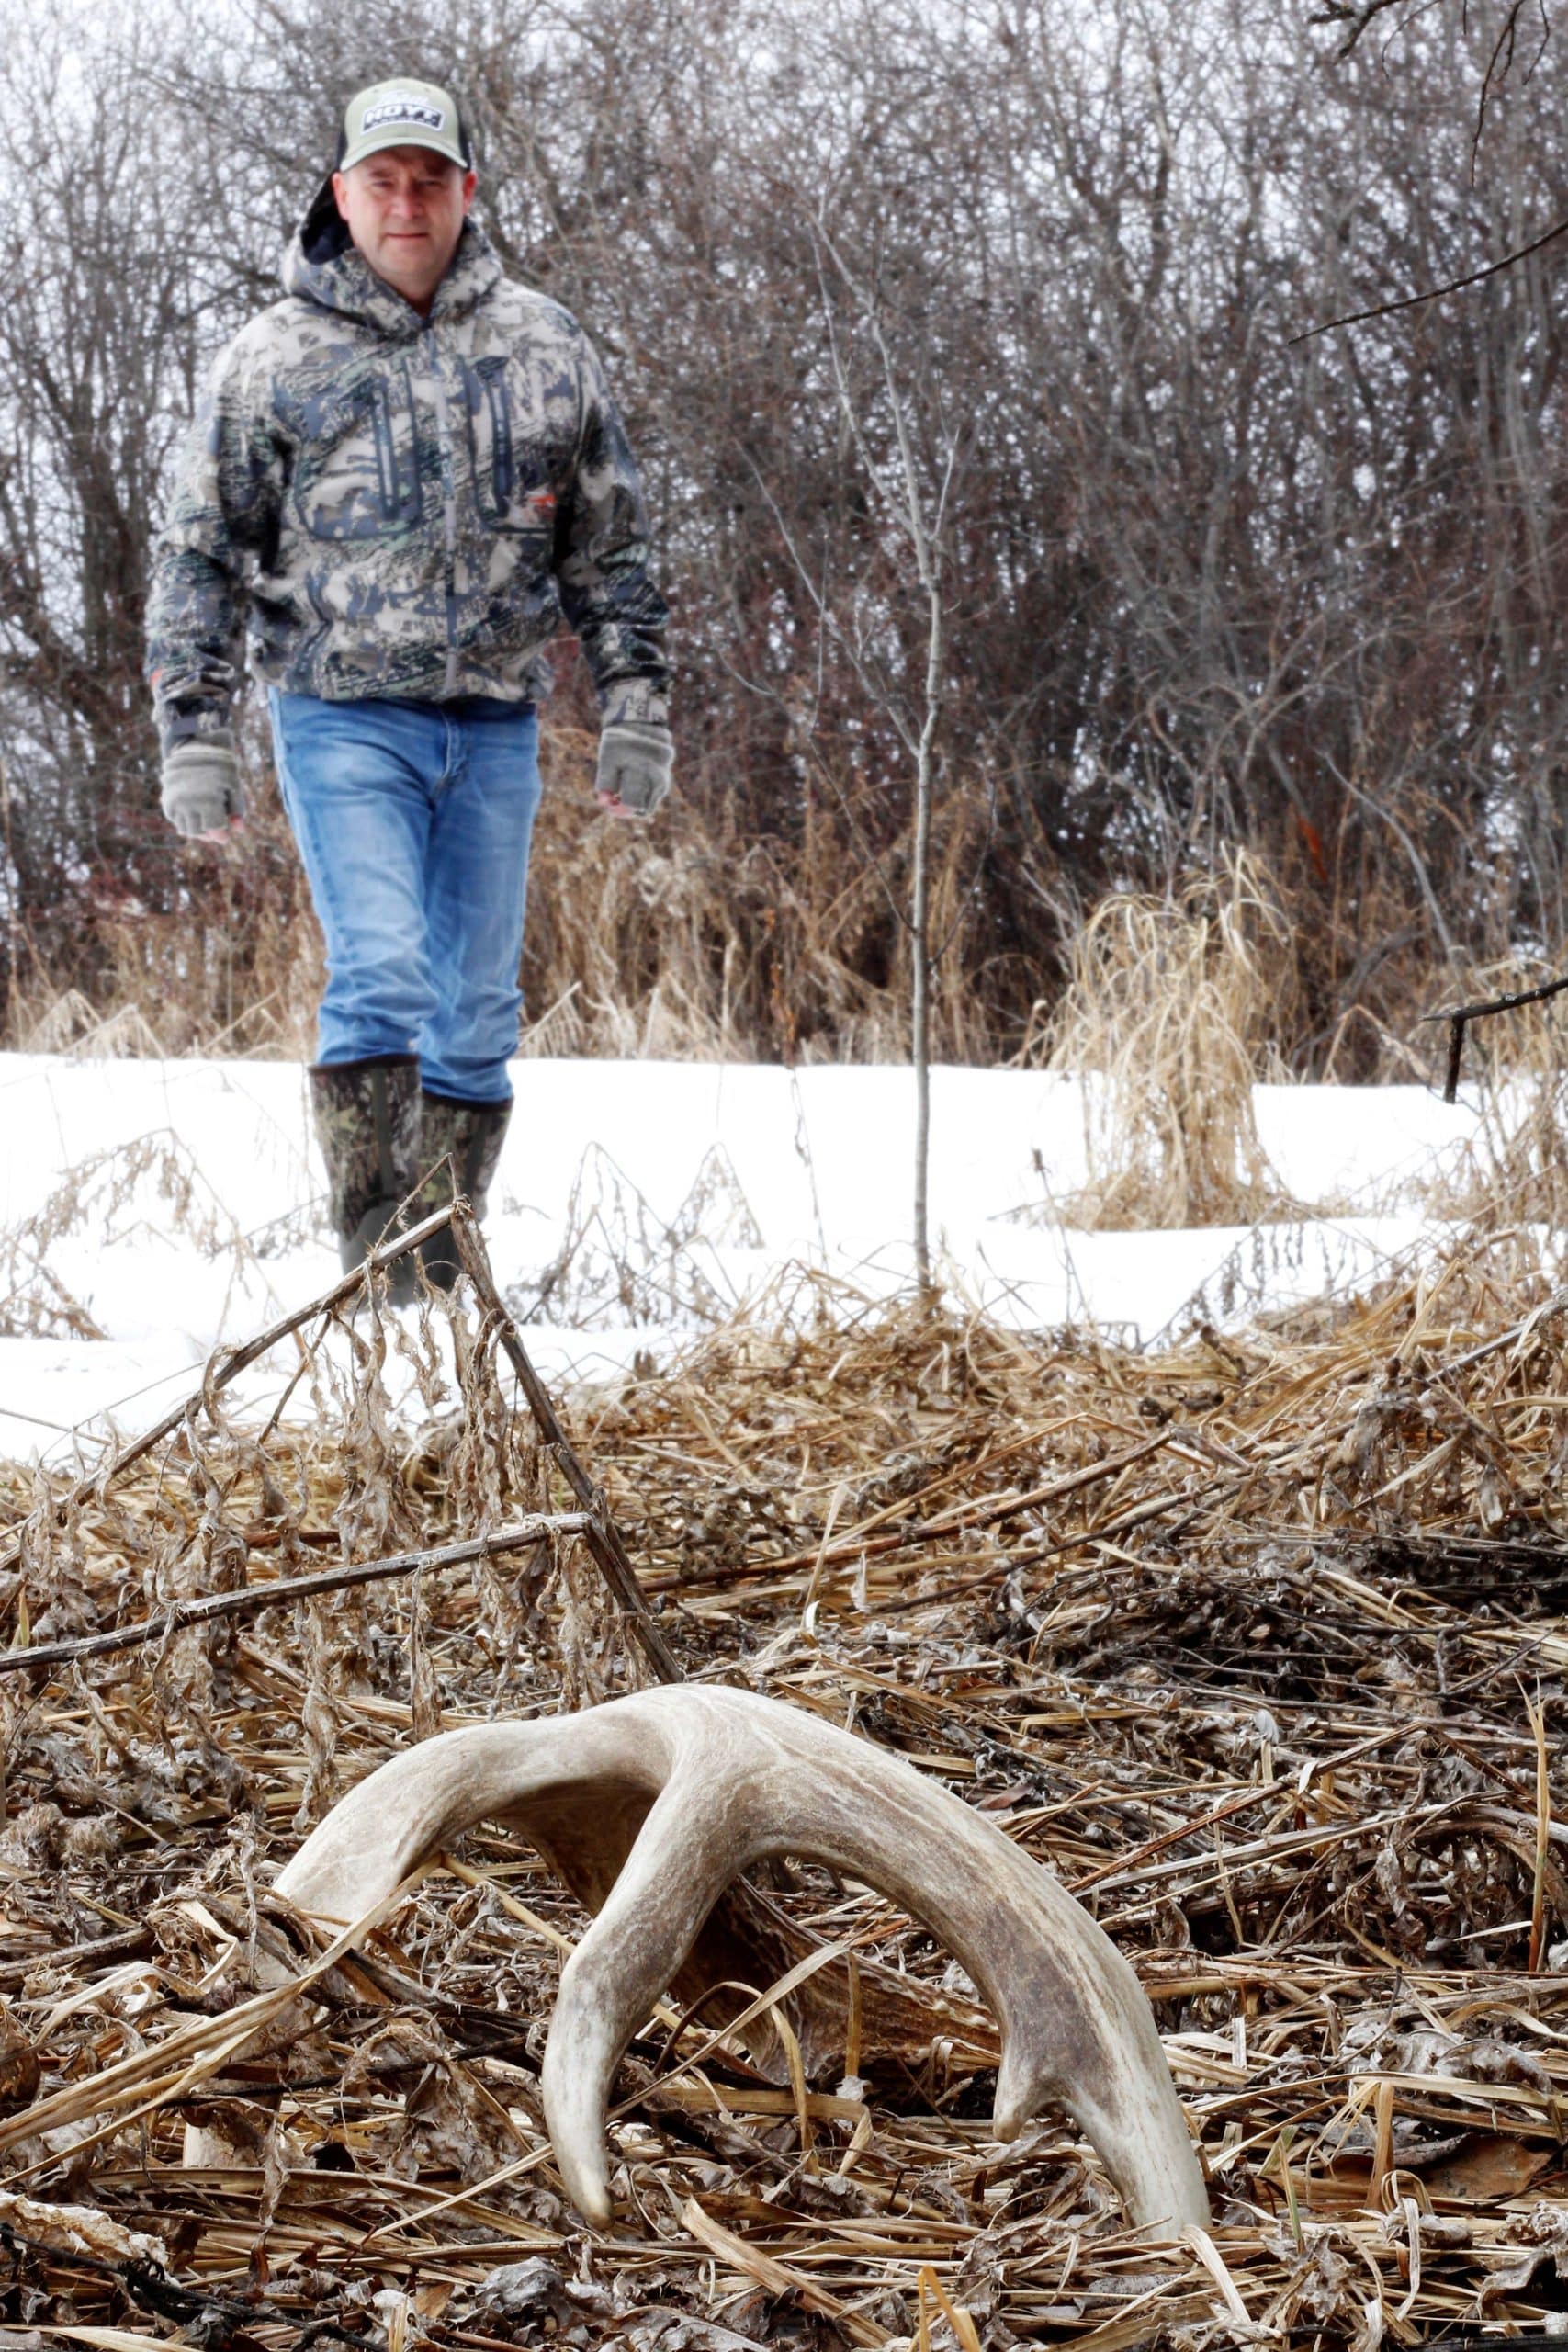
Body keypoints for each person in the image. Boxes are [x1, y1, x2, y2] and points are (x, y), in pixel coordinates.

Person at [146, 76, 671, 1295]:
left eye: (429, 180)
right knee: (383, 971)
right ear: (343, 194)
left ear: (466, 194)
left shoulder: (543, 345)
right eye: (381, 181)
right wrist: (195, 730)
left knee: (479, 1011)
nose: (406, 203)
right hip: (340, 715)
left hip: (493, 719)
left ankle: (440, 1273)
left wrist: (637, 703)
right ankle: (371, 1276)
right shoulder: (273, 357)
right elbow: (199, 549)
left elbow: (613, 545)